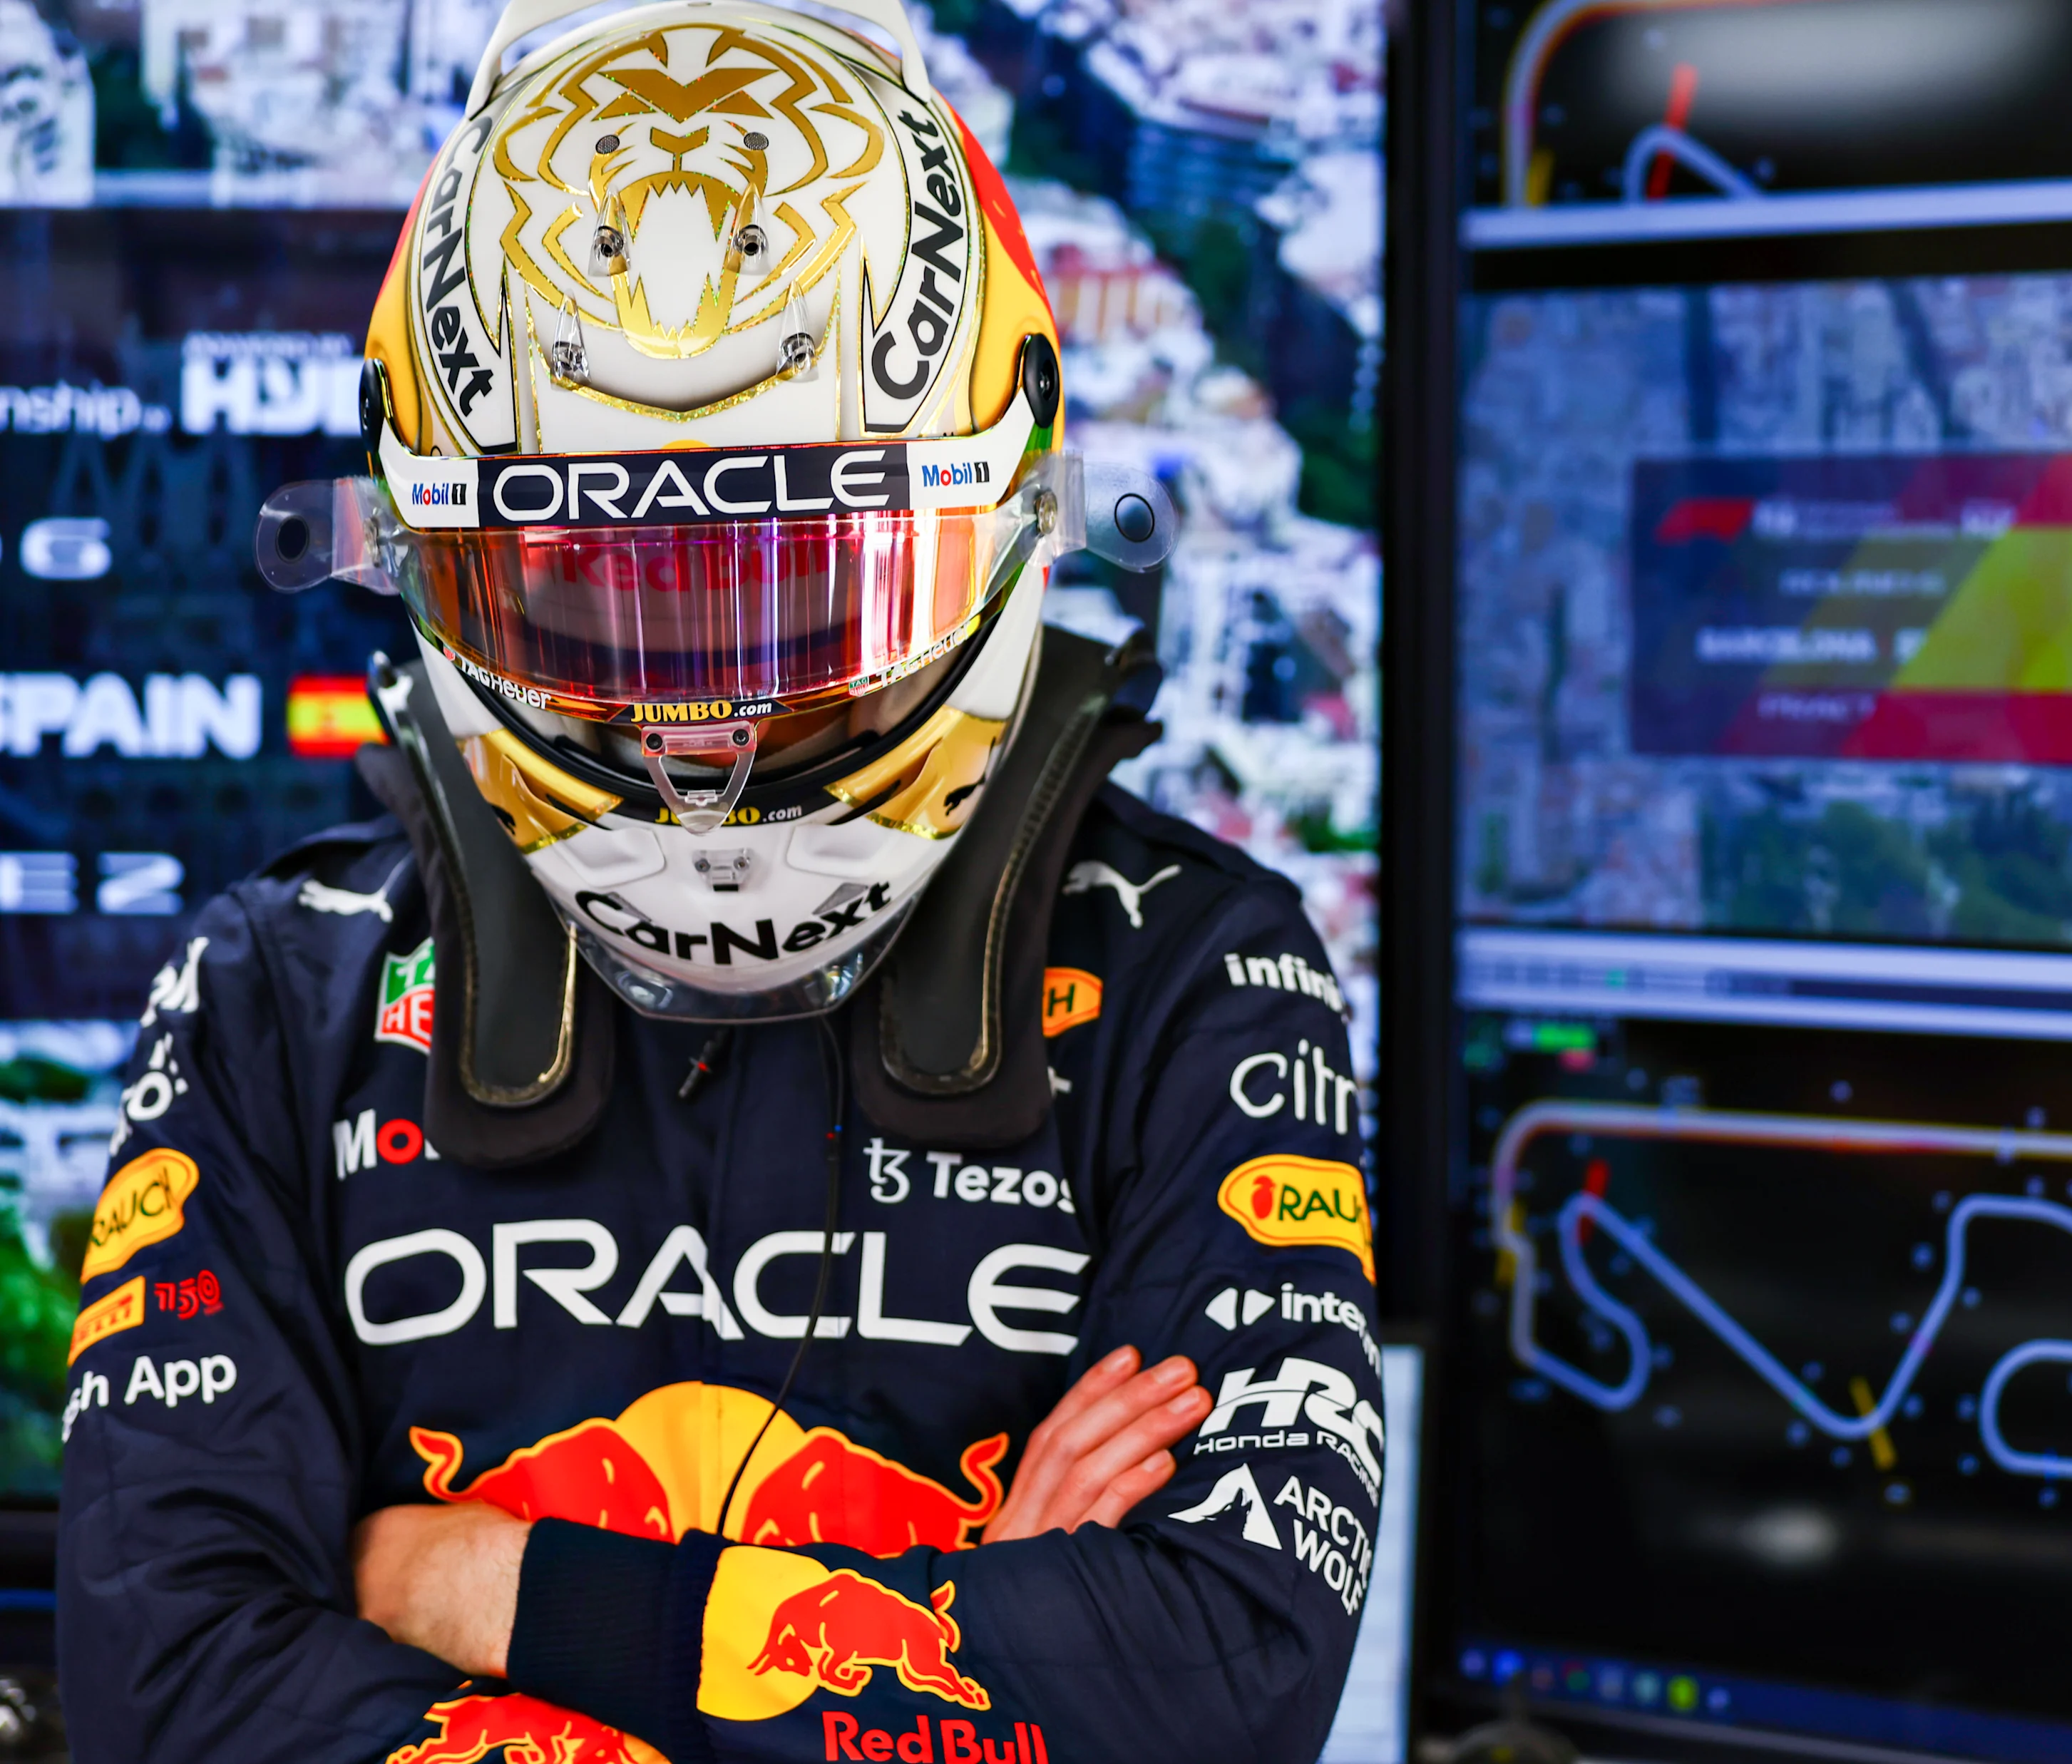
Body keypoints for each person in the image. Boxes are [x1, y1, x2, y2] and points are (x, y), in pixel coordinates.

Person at [56, 5, 1382, 1761]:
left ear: (1011, 518)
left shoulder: (1200, 976)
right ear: (425, 562)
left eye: (805, 594)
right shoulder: (269, 993)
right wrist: (944, 1663)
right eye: (600, 588)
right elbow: (171, 1692)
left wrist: (477, 1585)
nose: (713, 717)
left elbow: (1218, 1679)